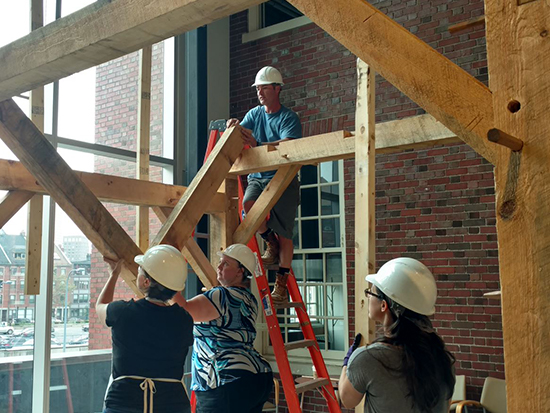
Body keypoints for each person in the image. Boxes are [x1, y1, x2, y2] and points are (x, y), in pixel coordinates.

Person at [339, 257, 455, 413]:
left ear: (383, 305)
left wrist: (347, 363)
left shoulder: (368, 359)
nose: (368, 297)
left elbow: (347, 400)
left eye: (371, 292)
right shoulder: (441, 357)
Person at [226, 66, 302, 303]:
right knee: (248, 209)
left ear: (277, 89)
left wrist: (258, 141)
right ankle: (270, 241)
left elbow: (288, 145)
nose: (259, 92)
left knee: (285, 232)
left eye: (264, 87)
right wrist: (234, 127)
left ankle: (281, 282)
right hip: (258, 178)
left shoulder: (289, 118)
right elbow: (242, 133)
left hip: (284, 180)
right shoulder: (255, 113)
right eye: (257, 88)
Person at [173, 244, 273, 413]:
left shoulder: (221, 295)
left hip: (225, 379)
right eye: (220, 262)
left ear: (240, 271)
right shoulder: (249, 299)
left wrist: (168, 280)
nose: (218, 267)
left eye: (226, 264)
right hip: (256, 375)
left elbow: (182, 312)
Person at [96, 244, 194, 413]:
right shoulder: (184, 319)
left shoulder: (122, 312)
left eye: (140, 270)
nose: (138, 273)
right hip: (173, 405)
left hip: (124, 403)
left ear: (146, 281)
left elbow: (100, 307)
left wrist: (114, 275)